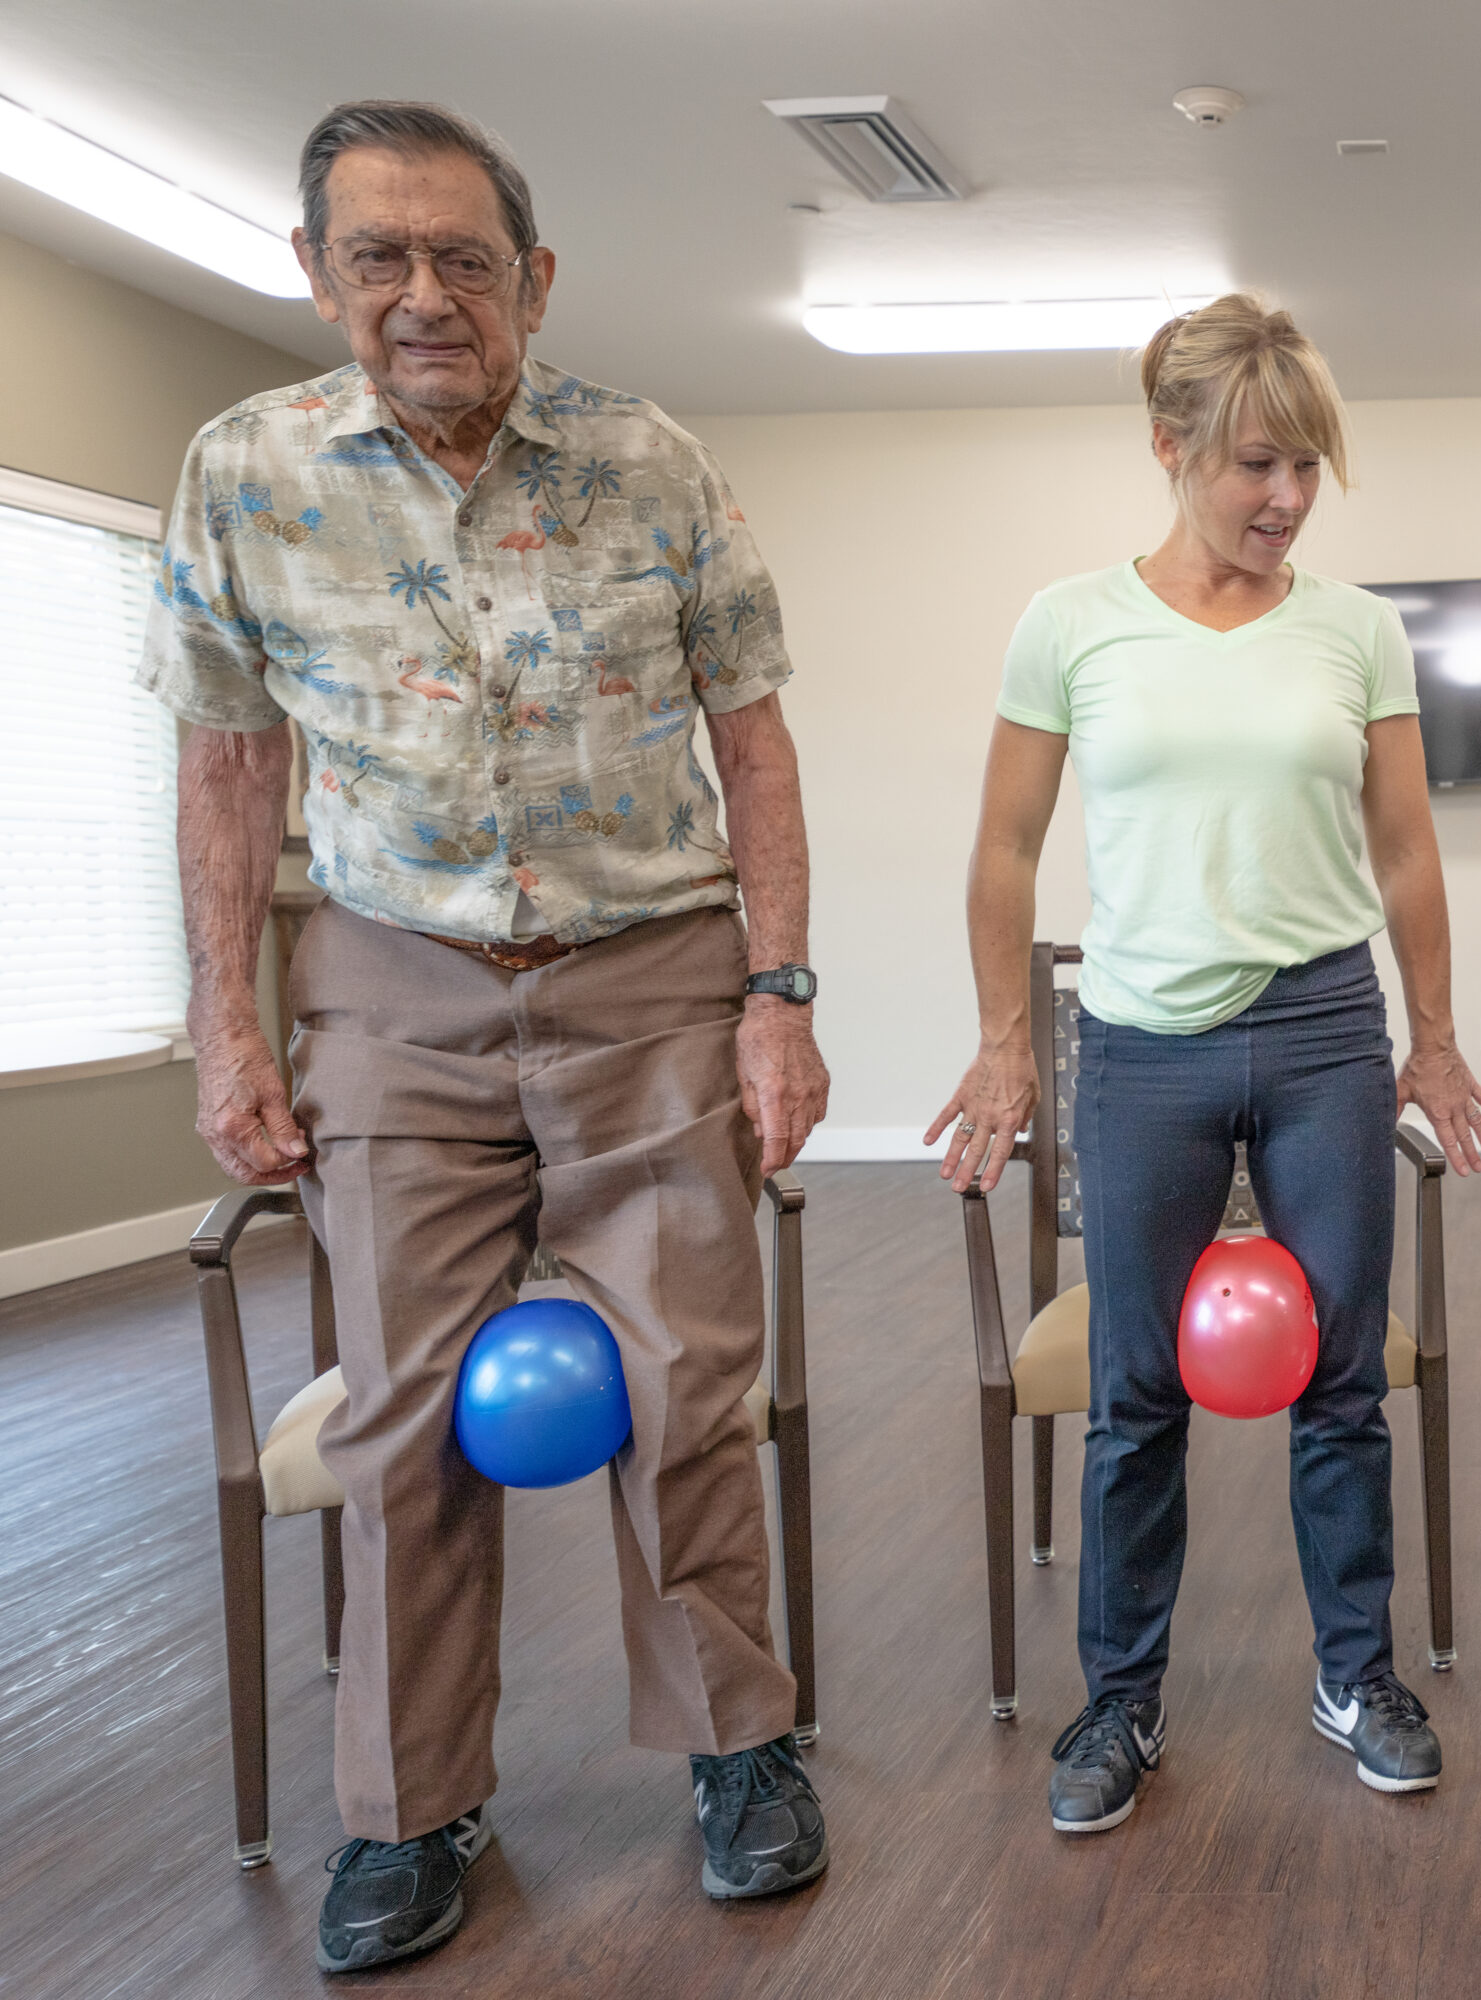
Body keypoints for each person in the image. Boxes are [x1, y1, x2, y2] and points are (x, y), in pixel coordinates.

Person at [140, 102, 830, 1972]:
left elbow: (752, 743)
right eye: (380, 258)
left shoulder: (648, 461)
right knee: (399, 1422)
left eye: (464, 260)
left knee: (687, 1392)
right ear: (318, 276)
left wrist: (779, 995)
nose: (424, 297)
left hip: (649, 973)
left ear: (531, 279)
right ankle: (410, 1810)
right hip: (392, 986)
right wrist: (228, 1027)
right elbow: (225, 769)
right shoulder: (245, 475)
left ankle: (739, 1750)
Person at [931, 294, 1481, 1835]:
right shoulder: (1070, 623)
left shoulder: (1357, 628)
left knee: (1339, 1381)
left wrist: (1433, 1040)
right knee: (1132, 1398)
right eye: (1258, 463)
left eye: (1308, 467)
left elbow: (1405, 851)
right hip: (1138, 1044)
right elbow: (1004, 845)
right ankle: (1118, 1704)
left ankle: (1357, 1674)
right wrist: (1005, 1046)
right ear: (1171, 447)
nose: (1289, 499)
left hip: (1323, 1029)